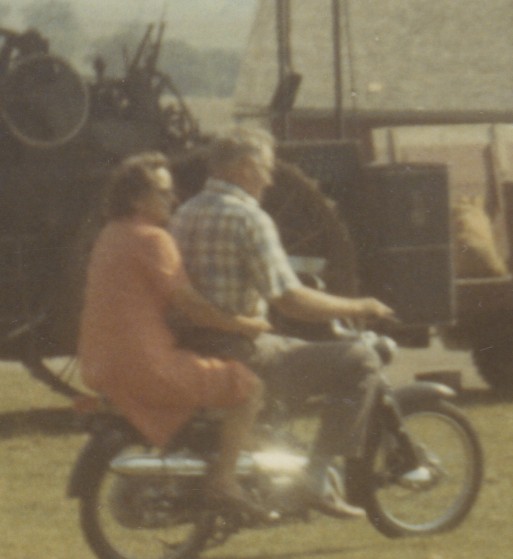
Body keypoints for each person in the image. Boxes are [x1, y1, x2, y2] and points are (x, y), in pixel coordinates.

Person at [171, 127, 396, 518]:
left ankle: (272, 454)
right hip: (241, 351)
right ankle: (316, 478)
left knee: (290, 352)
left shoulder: (184, 213)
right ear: (244, 167)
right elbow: (290, 301)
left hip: (192, 346)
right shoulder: (248, 218)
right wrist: (359, 305)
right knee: (358, 359)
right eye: (265, 168)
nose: (270, 179)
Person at [78, 151, 271, 520]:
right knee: (248, 387)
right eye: (164, 193)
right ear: (137, 199)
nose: (174, 200)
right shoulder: (153, 238)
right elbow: (191, 306)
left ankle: (207, 460)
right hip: (148, 368)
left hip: (101, 366)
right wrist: (246, 325)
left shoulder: (111, 234)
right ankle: (224, 482)